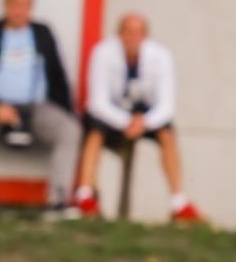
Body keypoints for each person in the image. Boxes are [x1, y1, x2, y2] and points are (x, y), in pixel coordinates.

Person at [0, 0, 79, 222]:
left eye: (25, 4)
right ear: (6, 6)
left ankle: (58, 199)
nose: (19, 10)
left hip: (36, 106)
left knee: (70, 129)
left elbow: (60, 73)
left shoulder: (44, 33)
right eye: (15, 3)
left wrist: (67, 108)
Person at [73, 13, 203, 223]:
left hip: (145, 116)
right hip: (111, 115)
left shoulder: (161, 56)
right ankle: (85, 196)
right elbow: (97, 102)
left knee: (167, 135)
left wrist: (144, 122)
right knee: (94, 132)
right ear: (119, 34)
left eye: (137, 32)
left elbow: (166, 105)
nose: (132, 37)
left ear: (145, 35)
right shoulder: (103, 53)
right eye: (127, 31)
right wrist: (125, 122)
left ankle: (179, 202)